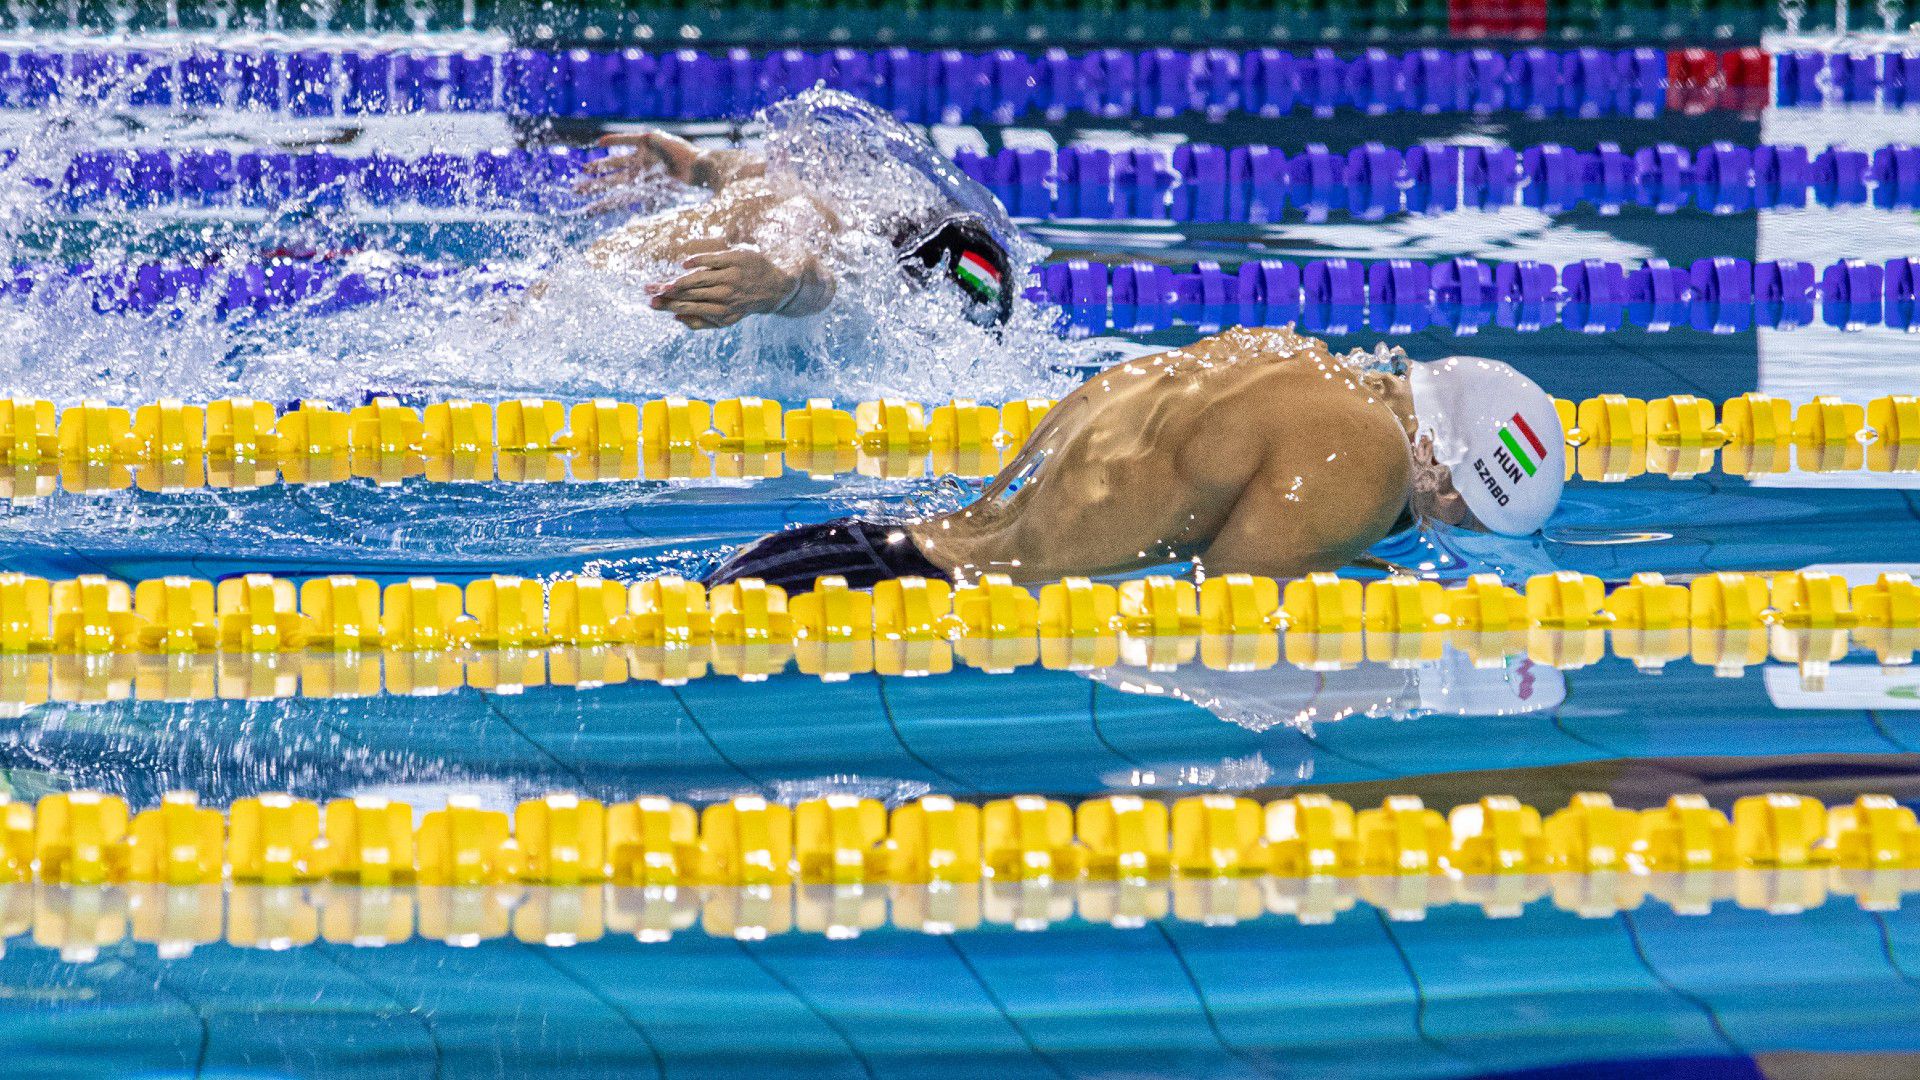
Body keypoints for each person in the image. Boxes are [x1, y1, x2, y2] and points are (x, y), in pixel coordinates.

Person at [702, 325, 1565, 592]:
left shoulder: (1291, 358)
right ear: (1447, 473)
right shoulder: (1367, 456)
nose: (1439, 526)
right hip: (889, 609)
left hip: (865, 551)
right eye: (1460, 518)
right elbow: (1228, 614)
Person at [573, 91, 1020, 332]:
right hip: (634, 299)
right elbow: (804, 270)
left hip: (582, 288)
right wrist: (780, 287)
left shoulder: (760, 178)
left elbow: (799, 262)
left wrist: (692, 162)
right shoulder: (804, 208)